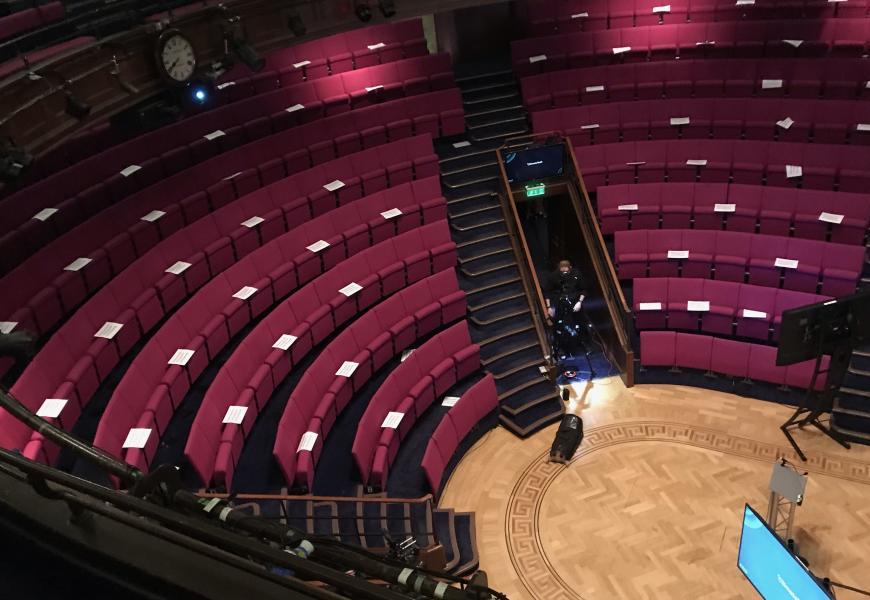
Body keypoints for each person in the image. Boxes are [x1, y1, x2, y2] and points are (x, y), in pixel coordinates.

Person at [544, 260, 595, 375]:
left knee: (580, 323)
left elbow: (584, 289)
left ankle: (585, 346)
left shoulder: (577, 274)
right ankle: (560, 350)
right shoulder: (553, 277)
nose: (564, 274)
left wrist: (579, 302)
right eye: (562, 272)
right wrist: (549, 307)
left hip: (575, 303)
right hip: (559, 303)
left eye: (566, 271)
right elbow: (547, 292)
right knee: (559, 326)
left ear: (570, 268)